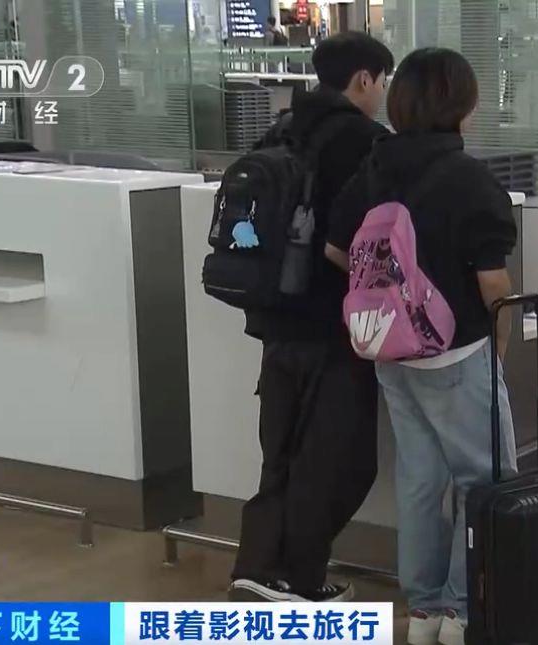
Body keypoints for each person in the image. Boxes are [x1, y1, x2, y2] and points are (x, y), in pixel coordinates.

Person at [325, 48, 518, 645]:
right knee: (486, 480)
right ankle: (462, 611)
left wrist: (392, 296)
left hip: (390, 353)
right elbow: (493, 284)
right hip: (456, 353)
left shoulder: (374, 167)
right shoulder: (469, 178)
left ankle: (425, 610)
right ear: (464, 105)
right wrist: (499, 344)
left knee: (419, 480)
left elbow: (335, 249)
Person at [228, 31, 394, 604]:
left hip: (275, 318)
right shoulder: (367, 142)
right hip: (333, 323)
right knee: (338, 460)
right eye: (382, 82)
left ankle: (257, 568)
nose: (382, 93)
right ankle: (297, 579)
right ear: (365, 79)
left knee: (280, 455)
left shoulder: (281, 128)